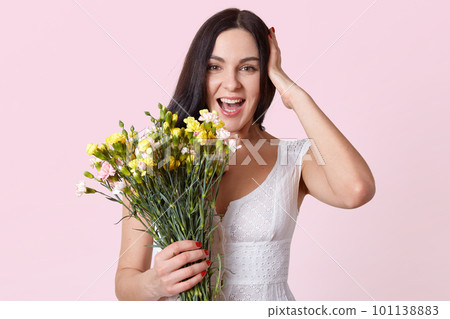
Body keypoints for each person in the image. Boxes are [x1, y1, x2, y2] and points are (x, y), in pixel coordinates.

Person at [115, 8, 376, 301]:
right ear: (198, 73)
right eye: (215, 67)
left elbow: (357, 189)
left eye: (248, 68)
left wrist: (293, 93)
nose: (231, 83)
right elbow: (126, 283)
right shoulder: (158, 161)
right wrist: (155, 283)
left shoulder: (293, 159)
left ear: (266, 77)